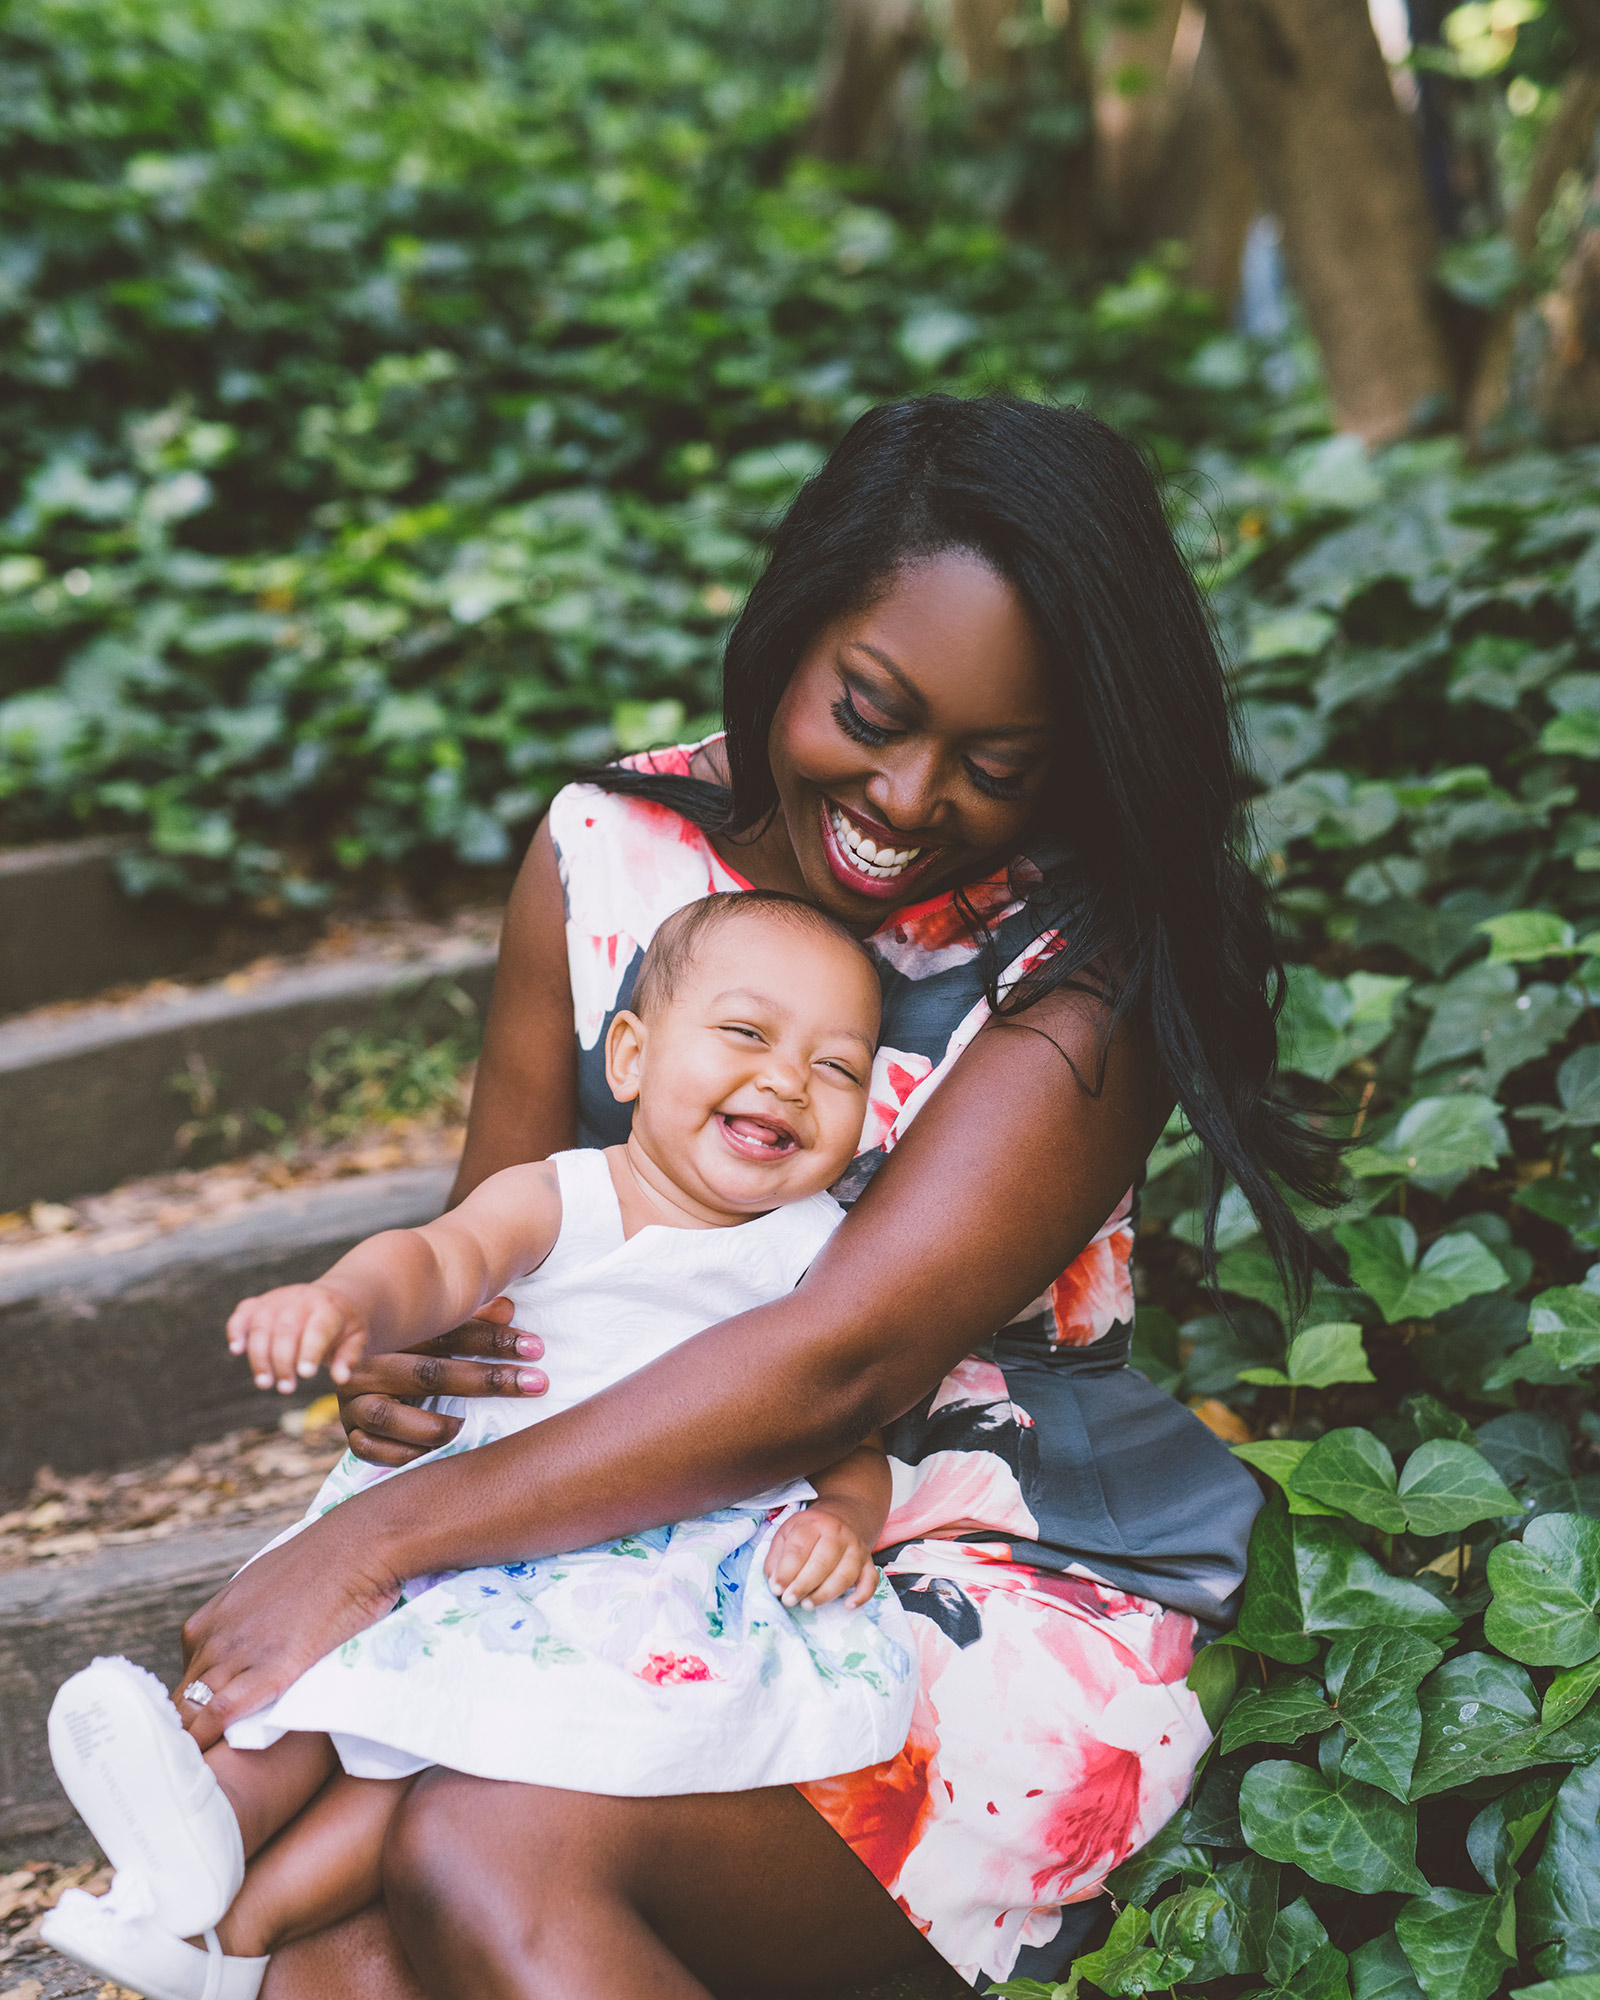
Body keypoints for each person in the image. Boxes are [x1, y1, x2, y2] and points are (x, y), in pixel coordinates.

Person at [158, 395, 1339, 2000]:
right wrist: (413, 1363)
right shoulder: (611, 851)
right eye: (872, 708)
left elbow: (836, 1368)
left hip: (945, 1551)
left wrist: (367, 1552)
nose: (914, 796)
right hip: (605, 1530)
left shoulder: (1082, 967)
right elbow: (503, 1250)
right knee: (338, 1970)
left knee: (482, 1850)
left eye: (997, 764)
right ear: (796, 630)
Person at [43, 893, 916, 2000]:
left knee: (449, 1748)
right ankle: (184, 1832)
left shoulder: (818, 1254)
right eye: (746, 1034)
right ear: (633, 1056)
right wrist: (347, 1299)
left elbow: (848, 1426)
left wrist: (842, 1518)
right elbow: (441, 1258)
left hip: (630, 1576)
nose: (789, 1078)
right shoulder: (570, 1195)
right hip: (467, 1527)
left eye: (836, 1067)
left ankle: (230, 1936)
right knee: (312, 1702)